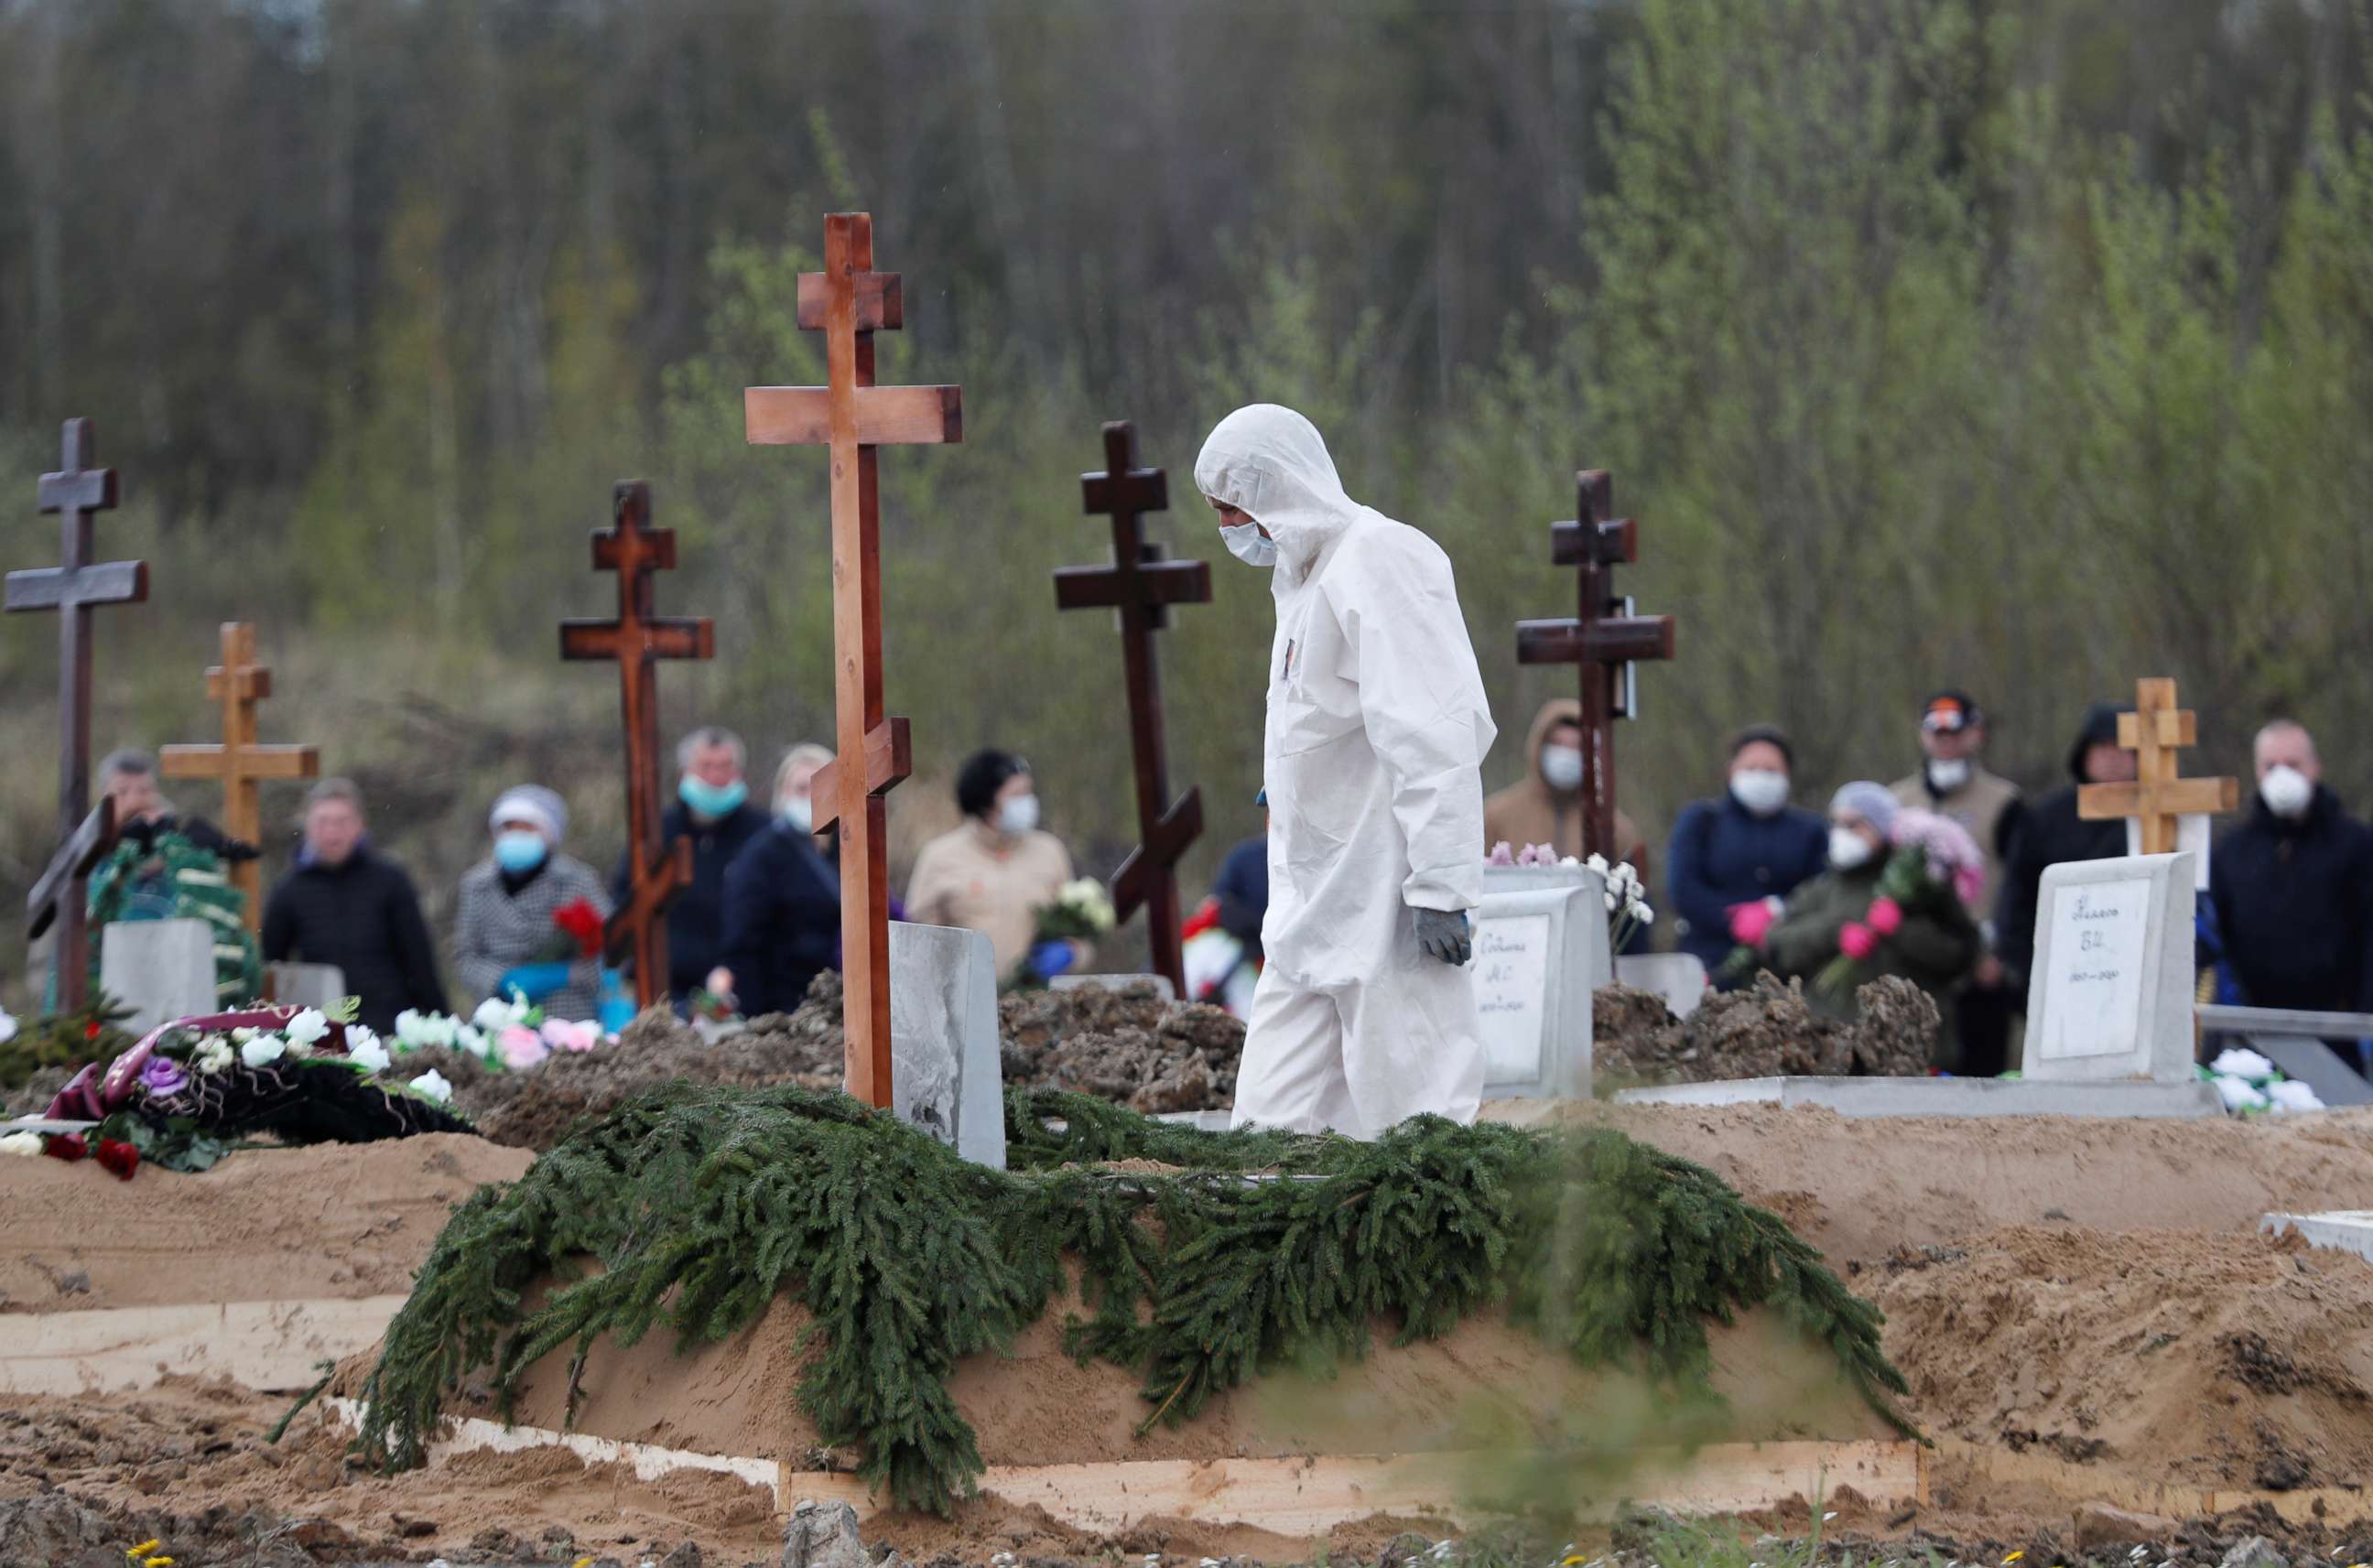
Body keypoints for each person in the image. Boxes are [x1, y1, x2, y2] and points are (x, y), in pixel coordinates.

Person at [1196, 402, 1496, 1139]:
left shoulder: (1381, 558)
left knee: (1418, 1119)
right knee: (1268, 1134)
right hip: (1308, 909)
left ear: (1273, 487)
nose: (1230, 528)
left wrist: (1441, 884)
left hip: (1386, 901)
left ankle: (1439, 1255)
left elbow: (1435, 733)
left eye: (1233, 507)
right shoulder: (1303, 581)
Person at [1758, 782, 1981, 1033]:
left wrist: (1902, 929)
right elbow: (1775, 947)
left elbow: (1961, 956)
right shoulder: (1820, 889)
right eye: (1836, 823)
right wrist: (1832, 934)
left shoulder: (1923, 888)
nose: (1841, 833)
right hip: (1829, 1039)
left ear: (1882, 829)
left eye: (1854, 824)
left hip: (1906, 1041)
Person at [1890, 691, 2024, 1074]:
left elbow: (2017, 883)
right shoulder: (1897, 801)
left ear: (1975, 735)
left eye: (1956, 733)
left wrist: (2001, 955)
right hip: (1914, 960)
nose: (1946, 743)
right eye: (1938, 734)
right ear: (1923, 736)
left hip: (1979, 963)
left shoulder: (2004, 802)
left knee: (1982, 1072)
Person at [2207, 721, 2373, 1021]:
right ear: (2257, 771)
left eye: (2294, 764)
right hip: (2253, 1031)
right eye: (2271, 766)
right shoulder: (2230, 852)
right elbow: (2216, 941)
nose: (2282, 776)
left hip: (2339, 1027)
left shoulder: (2357, 845)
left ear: (2315, 767)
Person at [261, 779, 447, 1033]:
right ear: (307, 826)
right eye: (323, 822)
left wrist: (441, 1019)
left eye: (342, 822)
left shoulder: (390, 880)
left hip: (388, 1024)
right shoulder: (289, 888)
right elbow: (271, 964)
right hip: (320, 1030)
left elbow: (419, 959)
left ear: (360, 825)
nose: (332, 832)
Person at [613, 726, 769, 1008]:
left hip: (742, 989)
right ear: (686, 771)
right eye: (706, 766)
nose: (716, 777)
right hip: (665, 988)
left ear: (739, 772)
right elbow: (627, 898)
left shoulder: (763, 834)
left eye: (725, 766)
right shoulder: (656, 832)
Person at [1664, 727, 1829, 973]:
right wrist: (1733, 920)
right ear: (1731, 771)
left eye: (1771, 770)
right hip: (1710, 963)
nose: (1761, 776)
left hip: (1788, 965)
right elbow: (1683, 889)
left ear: (1788, 775)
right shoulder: (1702, 820)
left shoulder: (1811, 830)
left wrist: (1776, 910)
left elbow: (1823, 888)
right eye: (1751, 768)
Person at [1993, 702, 2134, 989]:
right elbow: (2017, 899)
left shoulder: (2164, 818)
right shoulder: (2045, 818)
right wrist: (2028, 975)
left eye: (2123, 749)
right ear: (2085, 753)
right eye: (2103, 747)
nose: (2113, 758)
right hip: (2064, 971)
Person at [905, 750, 1081, 977]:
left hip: (1041, 1003)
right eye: (1017, 794)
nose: (1028, 802)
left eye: (1029, 792)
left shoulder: (1050, 851)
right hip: (966, 1001)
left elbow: (1081, 930)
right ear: (986, 801)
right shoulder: (939, 857)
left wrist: (1072, 951)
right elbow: (916, 939)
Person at [454, 784, 612, 1019]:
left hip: (566, 1017)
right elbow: (466, 956)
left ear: (548, 834)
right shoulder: (477, 885)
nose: (516, 836)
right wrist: (501, 980)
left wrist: (564, 974)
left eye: (527, 828)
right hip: (500, 1017)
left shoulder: (576, 881)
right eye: (508, 827)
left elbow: (609, 946)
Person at [709, 744, 843, 1018]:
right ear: (783, 793)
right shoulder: (762, 855)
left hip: (840, 1002)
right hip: (785, 1007)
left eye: (818, 787)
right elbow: (742, 944)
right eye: (801, 788)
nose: (810, 797)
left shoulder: (847, 850)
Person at [1483, 695, 1652, 874]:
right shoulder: (1497, 816)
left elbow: (1632, 891)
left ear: (1591, 754)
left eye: (1577, 746)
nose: (1565, 754)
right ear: (1539, 747)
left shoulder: (1613, 827)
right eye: (1558, 743)